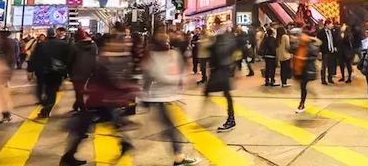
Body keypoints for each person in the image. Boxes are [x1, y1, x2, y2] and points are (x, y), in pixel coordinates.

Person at [60, 31, 139, 166]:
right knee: (86, 127)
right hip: (99, 99)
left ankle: (124, 143)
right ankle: (68, 156)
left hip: (105, 100)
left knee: (104, 124)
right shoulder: (104, 58)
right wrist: (127, 89)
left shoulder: (116, 57)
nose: (122, 45)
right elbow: (109, 81)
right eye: (119, 43)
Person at [142, 30, 200, 165]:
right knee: (170, 128)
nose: (166, 43)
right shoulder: (152, 56)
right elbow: (156, 75)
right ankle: (179, 156)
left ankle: (178, 155)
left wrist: (184, 78)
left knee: (169, 127)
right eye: (163, 40)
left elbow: (181, 69)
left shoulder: (173, 54)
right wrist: (180, 79)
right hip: (158, 99)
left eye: (167, 40)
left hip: (170, 97)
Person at [27, 27, 70, 118]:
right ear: (55, 34)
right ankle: (46, 109)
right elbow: (68, 59)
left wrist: (30, 70)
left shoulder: (41, 45)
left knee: (40, 88)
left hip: (42, 71)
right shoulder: (63, 44)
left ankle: (43, 103)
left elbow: (34, 58)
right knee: (52, 91)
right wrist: (66, 72)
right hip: (56, 72)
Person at [205, 19, 237, 132]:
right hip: (223, 68)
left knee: (225, 94)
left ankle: (231, 119)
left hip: (222, 69)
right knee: (225, 94)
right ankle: (230, 119)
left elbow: (220, 52)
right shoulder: (226, 38)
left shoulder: (222, 38)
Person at [291, 25, 321, 113]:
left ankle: (302, 104)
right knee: (301, 86)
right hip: (299, 68)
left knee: (303, 86)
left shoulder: (310, 45)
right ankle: (309, 97)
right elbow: (291, 49)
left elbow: (314, 56)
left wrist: (304, 59)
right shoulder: (298, 45)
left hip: (306, 69)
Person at [68, 29, 97, 112]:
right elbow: (96, 57)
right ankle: (77, 105)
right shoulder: (94, 45)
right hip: (90, 70)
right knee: (81, 91)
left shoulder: (74, 46)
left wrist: (69, 71)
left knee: (79, 91)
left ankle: (83, 109)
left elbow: (70, 60)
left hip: (77, 70)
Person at [317, 20, 338, 85]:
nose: (332, 25)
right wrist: (320, 51)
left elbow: (333, 40)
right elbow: (319, 42)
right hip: (325, 51)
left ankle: (330, 78)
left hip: (332, 51)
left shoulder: (331, 31)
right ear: (327, 24)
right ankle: (323, 80)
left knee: (331, 65)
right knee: (324, 66)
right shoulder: (321, 32)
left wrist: (335, 47)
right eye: (331, 24)